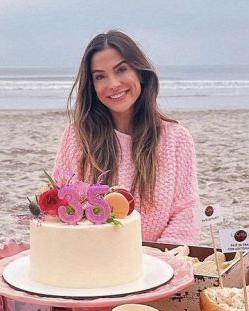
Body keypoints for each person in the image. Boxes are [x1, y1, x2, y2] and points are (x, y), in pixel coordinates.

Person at [53, 30, 200, 245]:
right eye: (100, 76)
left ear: (140, 72)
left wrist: (154, 262)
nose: (113, 84)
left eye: (121, 69)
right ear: (92, 87)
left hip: (159, 266)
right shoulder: (77, 137)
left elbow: (186, 216)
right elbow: (61, 209)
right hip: (89, 261)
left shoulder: (176, 139)